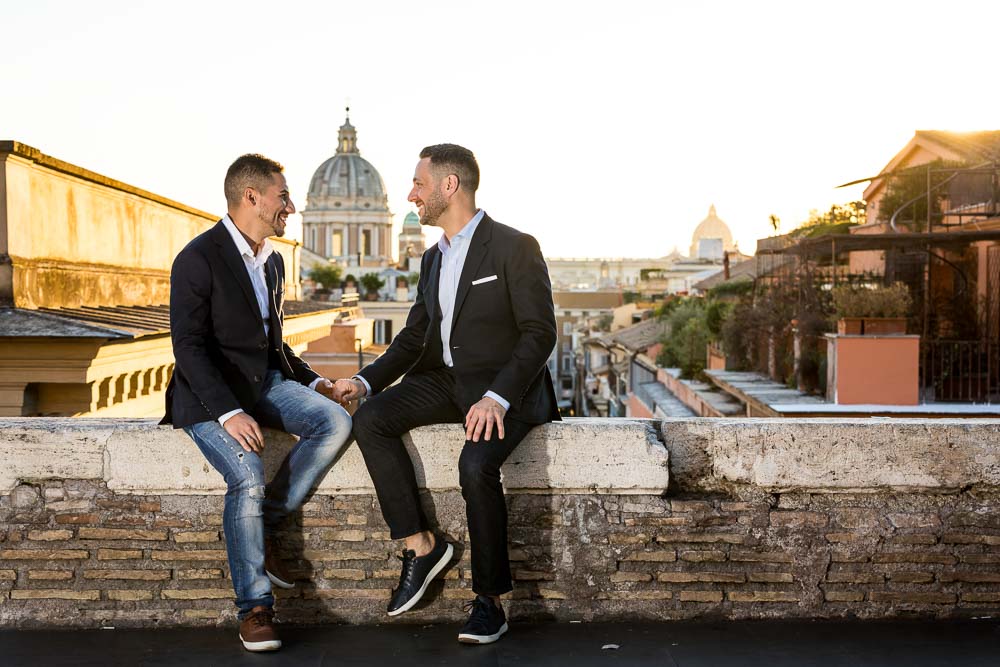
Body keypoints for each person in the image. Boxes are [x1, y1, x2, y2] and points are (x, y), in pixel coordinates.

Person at [335, 144, 559, 644]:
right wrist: (365, 381)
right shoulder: (433, 258)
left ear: (449, 186)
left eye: (419, 183)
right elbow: (415, 337)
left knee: (475, 465)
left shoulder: (515, 246)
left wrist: (498, 397)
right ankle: (421, 545)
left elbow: (539, 333)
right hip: (448, 382)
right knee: (370, 418)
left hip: (507, 389)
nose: (411, 194)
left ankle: (490, 602)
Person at [161, 154, 352, 652]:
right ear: (252, 197)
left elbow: (277, 347)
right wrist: (229, 412)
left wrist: (315, 385)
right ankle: (255, 607)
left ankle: (261, 527)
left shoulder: (272, 259)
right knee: (246, 473)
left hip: (262, 382)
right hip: (208, 398)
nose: (290, 204)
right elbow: (189, 348)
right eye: (282, 195)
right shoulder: (197, 258)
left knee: (333, 421)